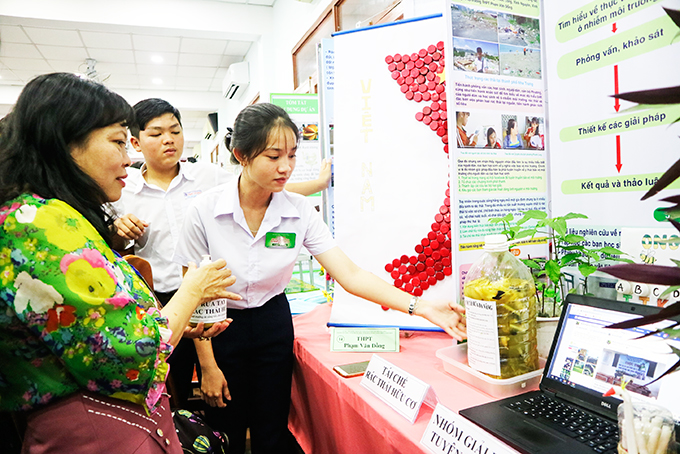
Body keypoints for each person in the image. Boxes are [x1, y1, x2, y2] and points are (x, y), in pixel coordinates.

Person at [173, 103, 467, 454]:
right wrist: (207, 365)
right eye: (273, 156)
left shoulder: (298, 211)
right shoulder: (203, 211)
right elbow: (193, 295)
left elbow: (351, 275)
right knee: (225, 430)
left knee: (271, 430)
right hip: (219, 327)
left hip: (272, 323)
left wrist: (423, 308)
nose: (286, 167)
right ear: (242, 155)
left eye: (293, 155)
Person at [0, 73, 239, 453]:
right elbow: (132, 352)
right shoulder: (40, 225)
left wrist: (172, 319)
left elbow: (91, 323)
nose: (128, 159)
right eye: (116, 142)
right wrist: (193, 290)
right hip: (98, 433)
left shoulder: (54, 215)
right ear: (65, 144)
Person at [112, 98, 331, 409]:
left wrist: (320, 184)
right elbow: (118, 248)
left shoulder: (208, 176)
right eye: (157, 133)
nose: (169, 139)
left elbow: (263, 183)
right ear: (136, 141)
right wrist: (208, 365)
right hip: (167, 300)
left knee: (269, 411)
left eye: (175, 130)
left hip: (226, 305)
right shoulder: (124, 190)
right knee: (183, 398)